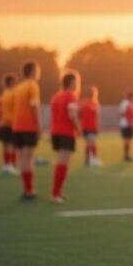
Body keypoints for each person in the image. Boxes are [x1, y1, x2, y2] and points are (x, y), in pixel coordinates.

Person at [11, 61, 42, 201]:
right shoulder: (32, 85)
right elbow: (34, 106)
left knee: (22, 158)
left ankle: (26, 189)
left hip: (17, 126)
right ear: (32, 71)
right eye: (38, 70)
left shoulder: (18, 87)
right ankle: (30, 191)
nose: (39, 72)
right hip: (28, 126)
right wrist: (39, 125)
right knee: (29, 158)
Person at [49, 71, 82, 203]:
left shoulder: (56, 96)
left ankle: (57, 192)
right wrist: (79, 129)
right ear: (73, 83)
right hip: (66, 133)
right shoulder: (71, 96)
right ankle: (55, 194)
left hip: (56, 132)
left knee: (60, 161)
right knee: (63, 162)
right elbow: (72, 115)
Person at [0, 73, 18, 174]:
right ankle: (10, 165)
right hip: (10, 123)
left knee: (5, 145)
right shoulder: (13, 94)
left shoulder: (1, 96)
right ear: (12, 83)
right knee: (10, 144)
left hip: (2, 123)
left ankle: (6, 164)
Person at [79, 86, 102, 167]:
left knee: (92, 143)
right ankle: (89, 159)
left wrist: (97, 126)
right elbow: (79, 114)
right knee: (90, 143)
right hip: (86, 127)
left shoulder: (96, 103)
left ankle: (90, 159)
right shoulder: (83, 103)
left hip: (93, 127)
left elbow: (97, 116)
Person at [119, 91, 133, 162]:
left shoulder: (132, 104)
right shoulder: (125, 103)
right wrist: (128, 119)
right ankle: (125, 155)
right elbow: (121, 114)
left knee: (129, 140)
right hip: (125, 124)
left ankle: (128, 154)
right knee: (126, 140)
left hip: (130, 124)